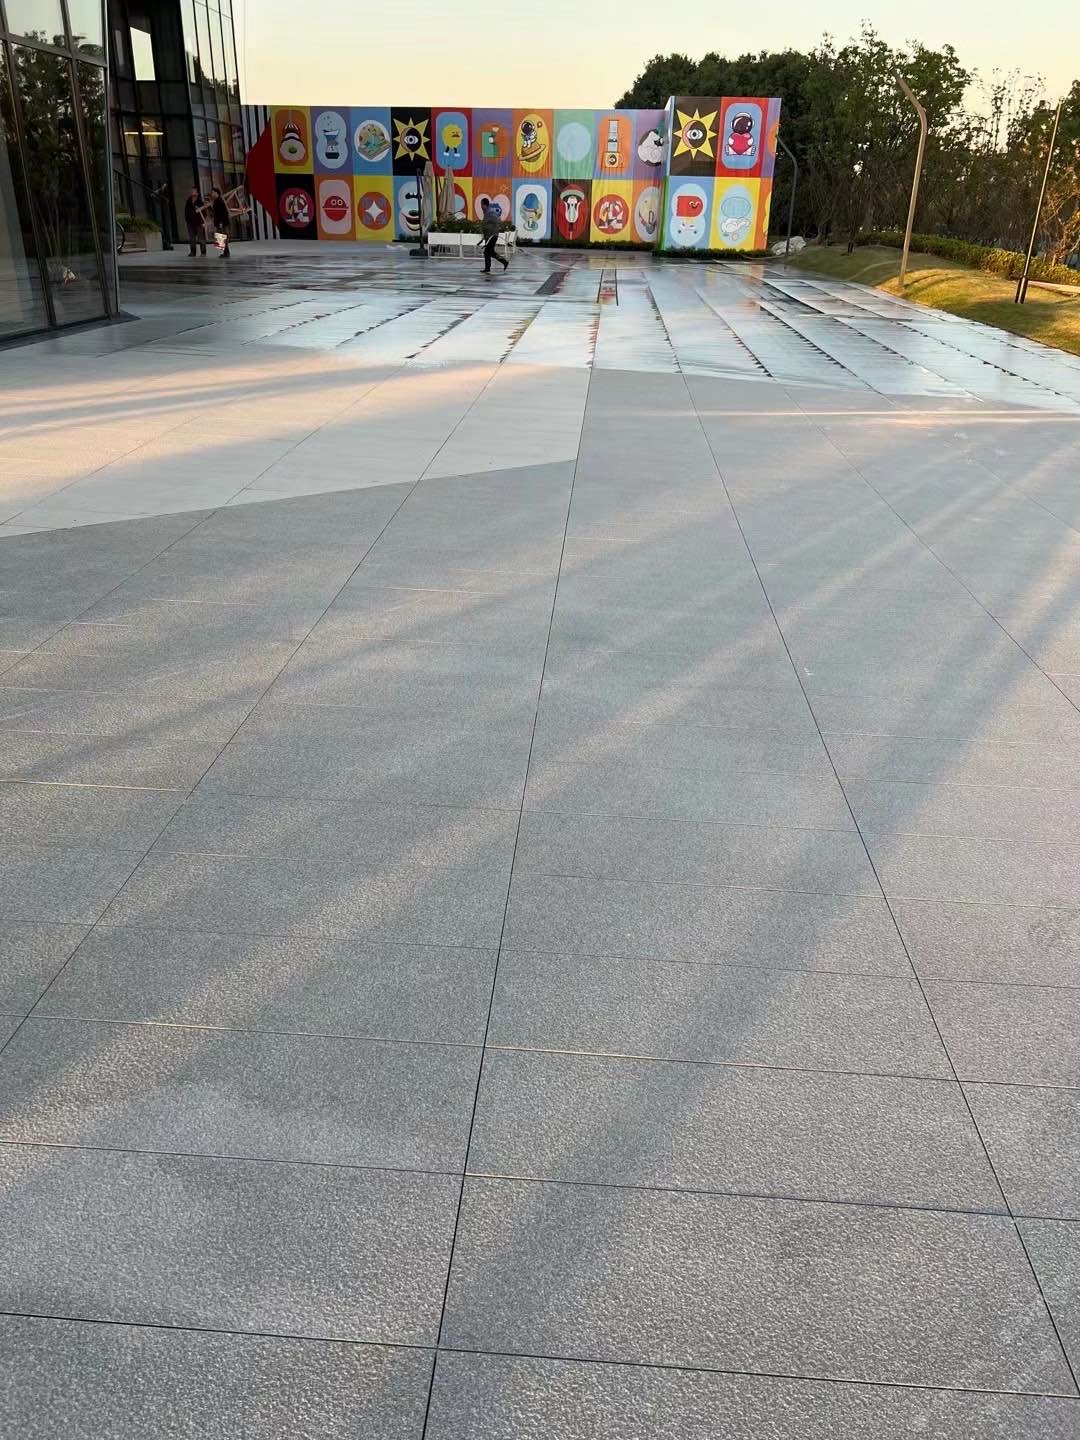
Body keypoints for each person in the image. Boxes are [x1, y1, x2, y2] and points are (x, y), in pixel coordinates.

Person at [480, 198, 508, 275]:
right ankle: (504, 262)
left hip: (492, 236)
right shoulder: (486, 212)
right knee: (490, 252)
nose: (481, 206)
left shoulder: (490, 212)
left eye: (481, 204)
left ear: (485, 205)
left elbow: (498, 221)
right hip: (489, 236)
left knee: (487, 252)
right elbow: (486, 224)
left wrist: (493, 230)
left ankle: (488, 268)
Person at [184, 187, 207, 257]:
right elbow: (186, 211)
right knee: (192, 238)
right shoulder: (189, 201)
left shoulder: (200, 202)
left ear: (197, 193)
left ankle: (203, 252)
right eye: (192, 191)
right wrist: (187, 220)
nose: (192, 192)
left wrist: (202, 221)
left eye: (194, 191)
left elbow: (204, 212)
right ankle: (193, 252)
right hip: (190, 222)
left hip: (198, 222)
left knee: (201, 238)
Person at [210, 187, 231, 259]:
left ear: (216, 193)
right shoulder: (216, 201)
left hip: (222, 223)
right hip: (220, 222)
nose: (212, 194)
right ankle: (225, 252)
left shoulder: (219, 201)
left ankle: (226, 253)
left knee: (223, 237)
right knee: (221, 238)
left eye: (213, 192)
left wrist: (221, 223)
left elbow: (223, 213)